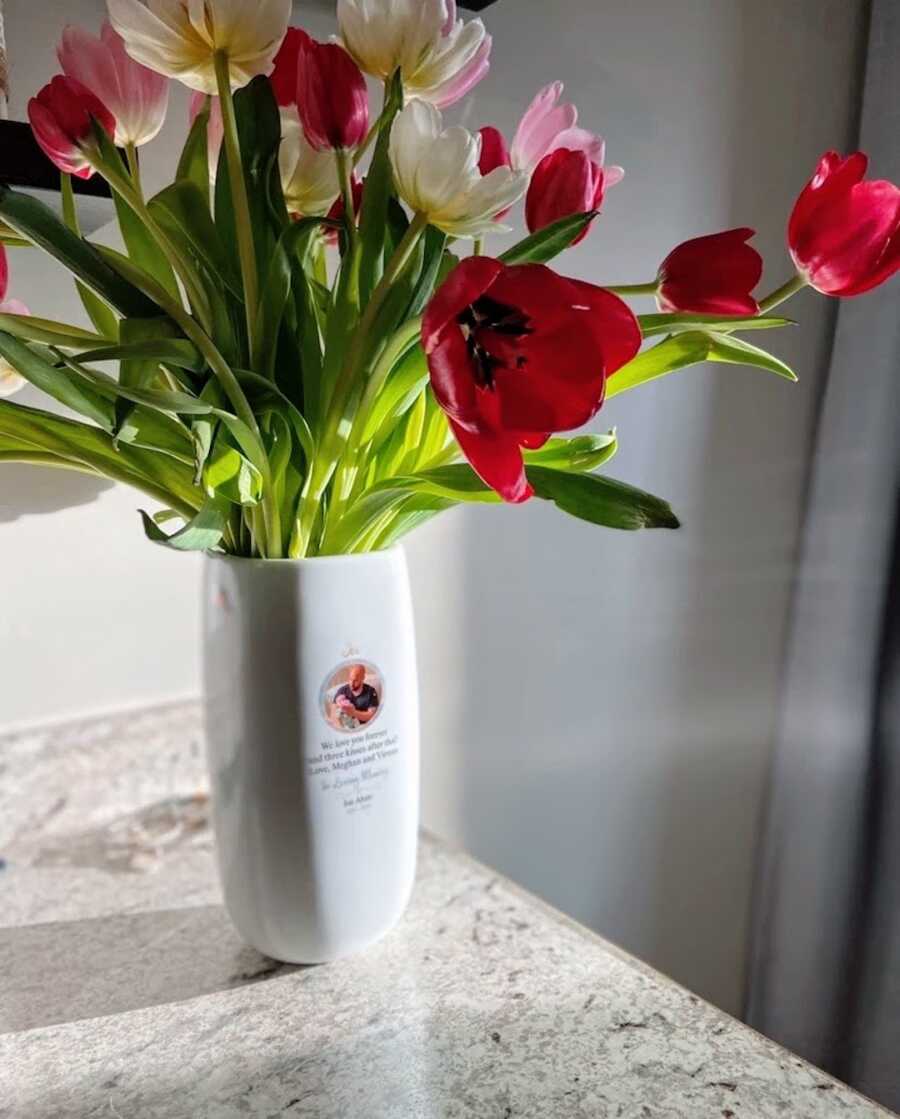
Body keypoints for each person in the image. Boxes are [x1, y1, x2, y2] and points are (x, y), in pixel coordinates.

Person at [330, 664, 380, 728]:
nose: (351, 684)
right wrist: (342, 729)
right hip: (345, 727)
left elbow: (371, 715)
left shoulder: (371, 692)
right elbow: (333, 714)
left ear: (363, 678)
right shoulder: (342, 690)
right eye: (350, 679)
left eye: (355, 680)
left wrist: (353, 713)